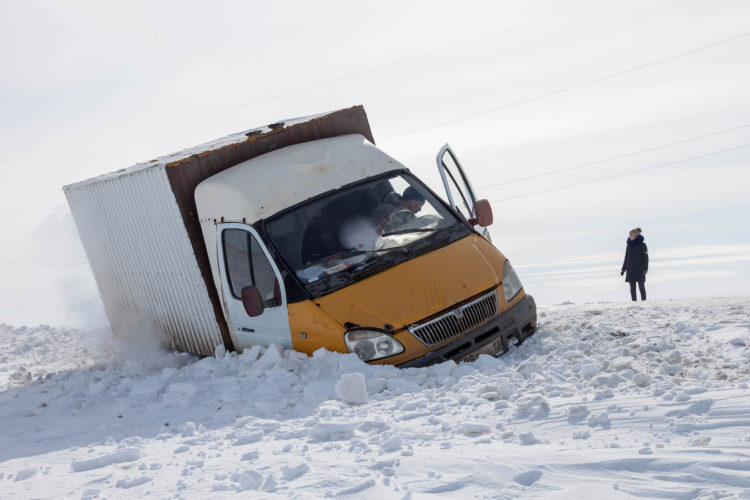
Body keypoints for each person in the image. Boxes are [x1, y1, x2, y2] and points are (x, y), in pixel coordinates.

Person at [621, 227, 648, 301]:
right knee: (632, 287)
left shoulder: (642, 245)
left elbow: (645, 258)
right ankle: (634, 302)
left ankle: (644, 301)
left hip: (640, 269)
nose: (630, 237)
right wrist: (623, 269)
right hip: (630, 269)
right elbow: (626, 258)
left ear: (635, 236)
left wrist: (645, 269)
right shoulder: (628, 245)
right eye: (629, 235)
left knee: (641, 286)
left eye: (631, 235)